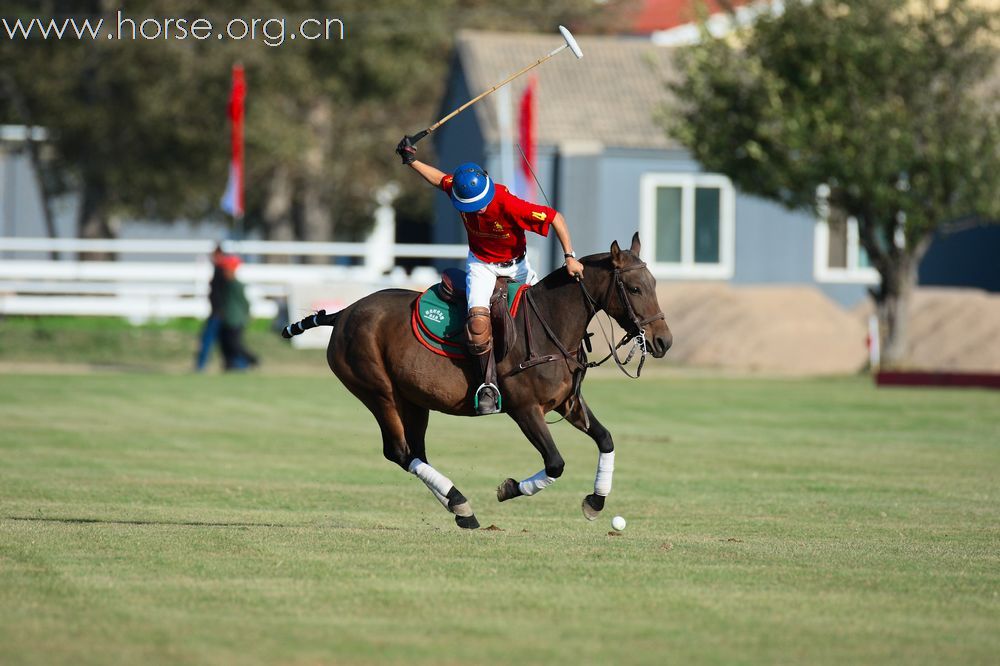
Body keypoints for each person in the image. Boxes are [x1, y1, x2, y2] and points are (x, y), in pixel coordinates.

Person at [396, 135, 584, 415]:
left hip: (518, 267)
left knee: (542, 320)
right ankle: (488, 385)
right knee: (478, 324)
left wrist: (570, 256)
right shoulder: (457, 188)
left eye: (481, 203)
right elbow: (438, 179)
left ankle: (557, 372)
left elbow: (555, 217)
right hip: (481, 265)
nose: (478, 209)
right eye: (472, 206)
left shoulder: (508, 203)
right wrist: (411, 161)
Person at [218, 254, 258, 371]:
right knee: (227, 344)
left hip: (236, 319)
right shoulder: (226, 284)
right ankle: (231, 365)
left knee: (235, 344)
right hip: (228, 319)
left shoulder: (236, 285)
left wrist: (247, 314)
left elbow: (244, 302)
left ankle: (252, 359)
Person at [195, 244, 226, 372]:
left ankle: (201, 366)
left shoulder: (221, 271)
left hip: (218, 312)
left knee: (208, 339)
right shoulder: (218, 270)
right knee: (218, 340)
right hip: (217, 311)